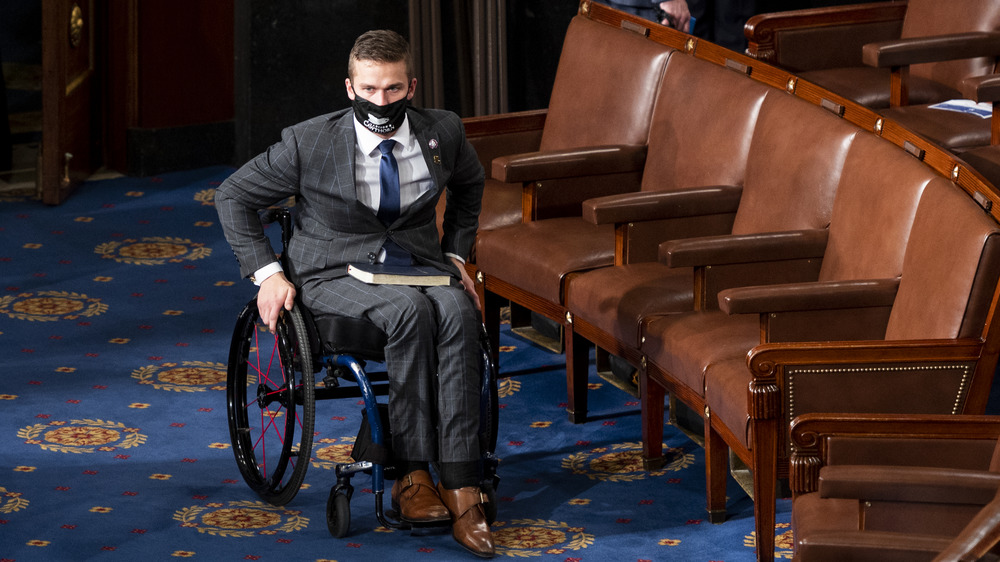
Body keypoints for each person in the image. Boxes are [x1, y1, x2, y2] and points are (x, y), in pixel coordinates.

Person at [215, 30, 493, 558]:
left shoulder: (443, 132)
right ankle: (411, 475)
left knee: (458, 309)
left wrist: (457, 256)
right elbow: (232, 195)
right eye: (369, 90)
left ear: (412, 86)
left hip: (416, 266)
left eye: (392, 90)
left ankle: (461, 484)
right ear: (349, 87)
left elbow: (470, 184)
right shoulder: (310, 141)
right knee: (409, 312)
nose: (380, 102)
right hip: (331, 275)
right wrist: (268, 273)